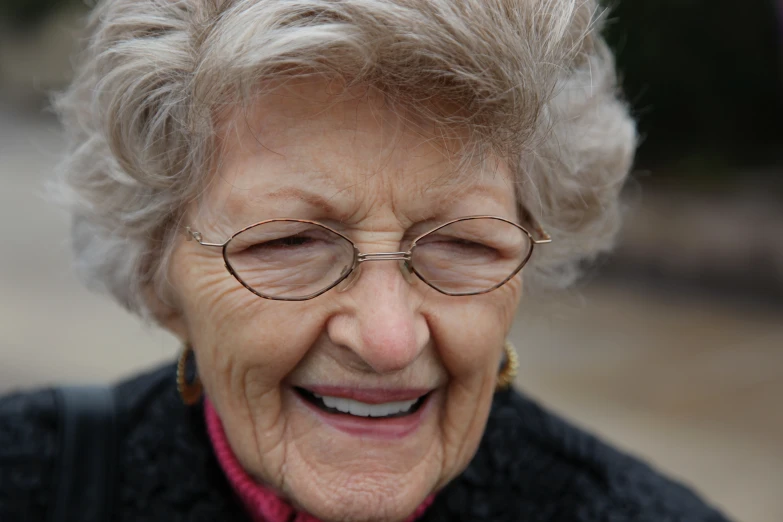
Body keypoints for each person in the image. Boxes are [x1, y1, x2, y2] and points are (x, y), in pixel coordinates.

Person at [0, 1, 732, 521]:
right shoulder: (26, 480)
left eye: (461, 244)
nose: (387, 340)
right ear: (157, 271)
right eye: (288, 243)